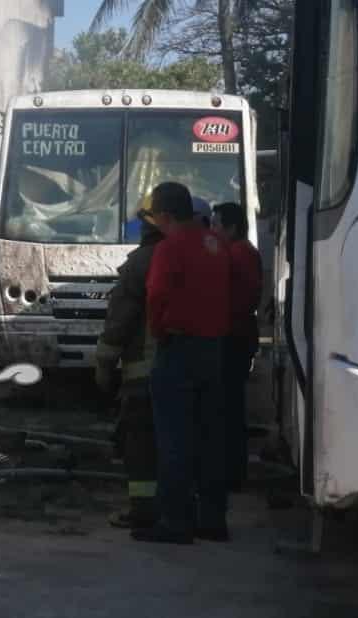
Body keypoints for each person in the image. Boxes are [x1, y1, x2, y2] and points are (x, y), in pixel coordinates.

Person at [135, 182, 232, 545]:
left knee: (174, 438)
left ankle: (175, 521)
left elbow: (156, 295)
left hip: (178, 348)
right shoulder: (217, 244)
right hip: (214, 348)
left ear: (163, 215)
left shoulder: (168, 248)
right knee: (211, 436)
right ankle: (212, 519)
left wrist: (158, 332)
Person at [95, 195, 166, 530]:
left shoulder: (142, 263)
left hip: (145, 370)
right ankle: (178, 505)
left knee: (140, 444)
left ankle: (144, 510)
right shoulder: (196, 255)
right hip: (189, 368)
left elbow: (120, 321)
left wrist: (104, 364)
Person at [211, 202, 263, 492]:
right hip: (238, 335)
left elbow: (235, 299)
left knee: (227, 410)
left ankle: (231, 474)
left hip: (232, 337)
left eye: (217, 225)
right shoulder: (243, 252)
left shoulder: (238, 253)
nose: (213, 230)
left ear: (231, 227)